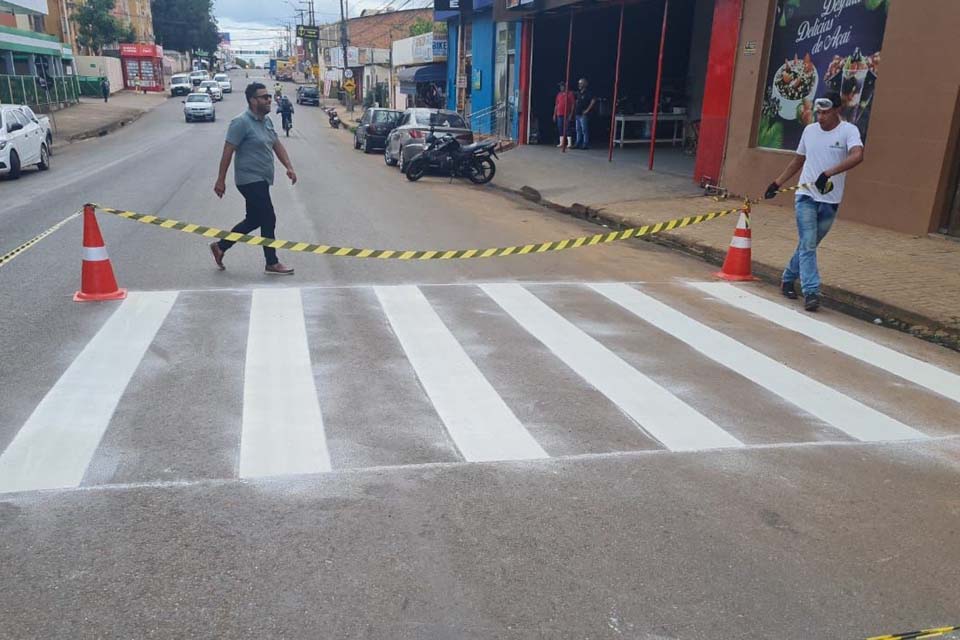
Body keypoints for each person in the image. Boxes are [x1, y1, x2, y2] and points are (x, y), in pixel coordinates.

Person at [765, 92, 864, 312]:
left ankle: (787, 278)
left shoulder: (848, 131)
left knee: (808, 244)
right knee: (808, 243)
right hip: (806, 196)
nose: (821, 117)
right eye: (818, 113)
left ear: (837, 110)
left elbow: (858, 155)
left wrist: (828, 173)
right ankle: (811, 292)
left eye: (825, 113)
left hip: (830, 200)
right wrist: (776, 183)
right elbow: (798, 160)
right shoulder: (809, 131)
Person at [210, 82, 298, 275]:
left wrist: (289, 167)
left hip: (263, 178)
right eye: (264, 97)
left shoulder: (266, 121)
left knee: (254, 219)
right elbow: (228, 150)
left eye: (269, 96)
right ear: (252, 100)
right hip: (249, 179)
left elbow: (276, 144)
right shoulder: (240, 122)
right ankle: (271, 262)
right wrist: (220, 180)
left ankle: (221, 246)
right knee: (268, 217)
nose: (269, 100)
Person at [573, 77, 596, 150]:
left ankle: (585, 144)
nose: (579, 84)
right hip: (577, 114)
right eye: (579, 83)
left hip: (583, 115)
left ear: (585, 84)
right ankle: (578, 143)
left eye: (581, 83)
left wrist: (587, 110)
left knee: (584, 130)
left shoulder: (588, 93)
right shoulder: (578, 93)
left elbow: (593, 101)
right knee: (578, 130)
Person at [553, 81, 575, 148]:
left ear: (565, 86)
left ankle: (569, 143)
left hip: (567, 114)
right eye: (560, 86)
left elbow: (573, 104)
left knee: (567, 128)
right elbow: (556, 105)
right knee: (560, 127)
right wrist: (554, 114)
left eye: (562, 86)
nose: (561, 87)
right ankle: (561, 143)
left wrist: (571, 114)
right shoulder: (559, 94)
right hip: (559, 114)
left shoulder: (570, 94)